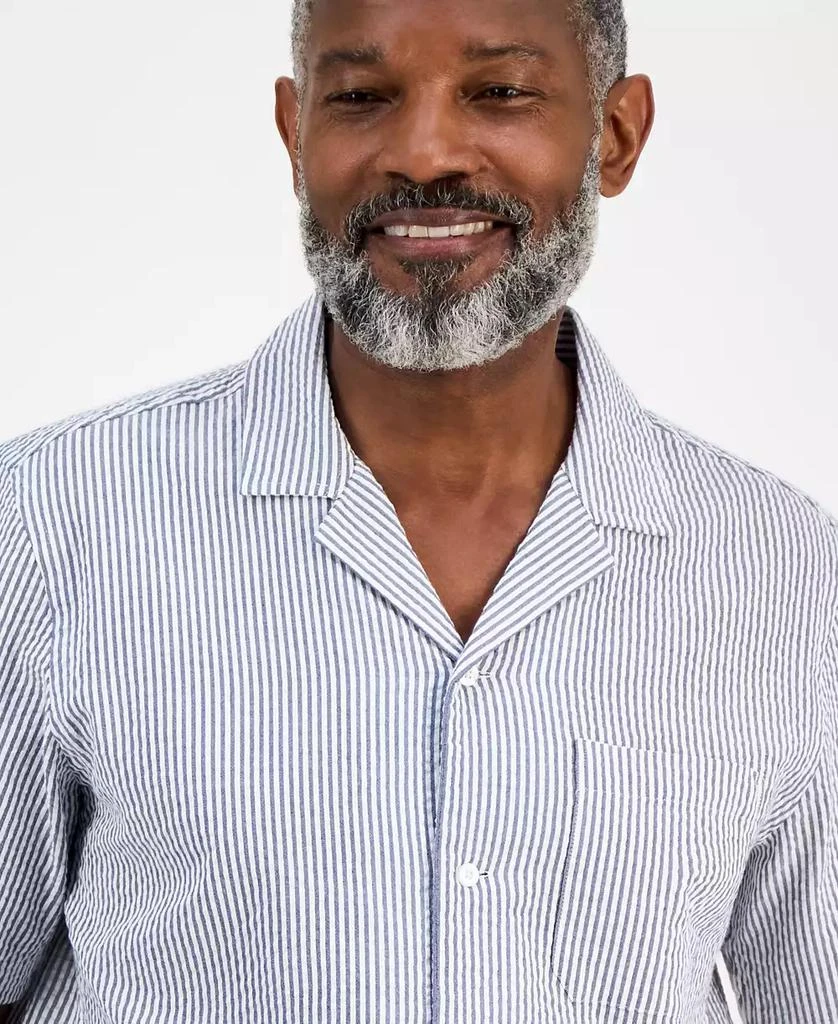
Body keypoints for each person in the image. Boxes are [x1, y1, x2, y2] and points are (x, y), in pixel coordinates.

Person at [1, 0, 836, 1020]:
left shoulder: (787, 573)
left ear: (615, 134)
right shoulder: (49, 525)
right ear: (294, 132)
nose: (424, 153)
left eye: (500, 92)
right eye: (361, 97)